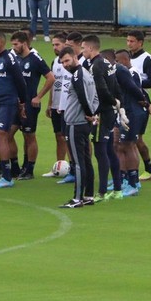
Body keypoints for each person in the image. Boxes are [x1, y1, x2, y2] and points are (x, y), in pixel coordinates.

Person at [9, 30, 53, 180]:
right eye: (12, 44)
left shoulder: (35, 59)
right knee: (8, 133)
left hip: (29, 104)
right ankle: (15, 166)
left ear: (24, 44)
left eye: (16, 44)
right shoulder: (16, 59)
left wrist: (39, 96)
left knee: (29, 136)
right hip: (16, 103)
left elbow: (51, 78)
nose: (13, 47)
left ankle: (29, 169)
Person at [59, 46, 98, 208]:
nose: (65, 65)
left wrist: (90, 114)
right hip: (83, 122)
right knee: (86, 160)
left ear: (75, 57)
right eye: (62, 62)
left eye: (67, 60)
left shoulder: (77, 76)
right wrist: (92, 114)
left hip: (76, 122)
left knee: (78, 162)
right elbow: (95, 97)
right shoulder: (86, 73)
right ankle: (89, 195)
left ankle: (77, 198)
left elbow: (83, 97)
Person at [0, 31, 27, 189]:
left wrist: (22, 104)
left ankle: (7, 176)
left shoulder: (10, 59)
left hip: (7, 103)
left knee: (1, 134)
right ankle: (6, 172)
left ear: (1, 43)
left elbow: (21, 82)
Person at [84, 35, 121, 199]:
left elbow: (101, 89)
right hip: (110, 111)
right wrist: (118, 103)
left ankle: (102, 192)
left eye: (84, 48)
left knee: (100, 152)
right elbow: (116, 85)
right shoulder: (107, 62)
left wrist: (111, 102)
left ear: (91, 48)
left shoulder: (96, 65)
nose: (83, 51)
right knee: (109, 150)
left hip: (102, 112)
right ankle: (118, 189)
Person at [113, 49, 151, 197]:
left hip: (131, 113)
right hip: (124, 112)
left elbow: (136, 90)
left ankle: (133, 182)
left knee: (127, 145)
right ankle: (123, 179)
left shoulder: (131, 72)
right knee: (118, 145)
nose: (115, 65)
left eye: (117, 61)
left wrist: (146, 104)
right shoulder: (123, 72)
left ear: (123, 60)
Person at [126, 29, 151, 181]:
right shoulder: (126, 58)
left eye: (132, 41)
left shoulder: (147, 59)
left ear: (140, 42)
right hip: (129, 101)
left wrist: (134, 82)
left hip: (140, 102)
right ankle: (132, 170)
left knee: (136, 139)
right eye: (127, 41)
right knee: (130, 140)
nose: (129, 44)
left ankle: (146, 169)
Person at [42, 32, 71, 176]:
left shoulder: (72, 62)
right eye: (53, 45)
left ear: (66, 44)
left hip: (68, 107)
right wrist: (50, 104)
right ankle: (60, 166)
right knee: (58, 136)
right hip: (56, 105)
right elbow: (54, 84)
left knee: (69, 137)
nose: (54, 47)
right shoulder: (54, 62)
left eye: (57, 44)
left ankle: (73, 167)